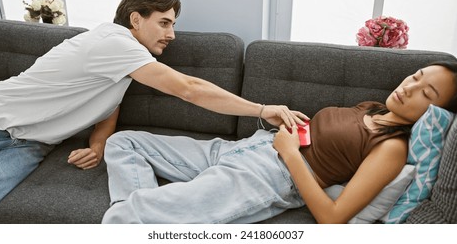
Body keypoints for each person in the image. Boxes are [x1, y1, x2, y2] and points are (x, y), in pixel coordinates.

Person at [0, 0, 305, 205]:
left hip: (31, 145)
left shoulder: (127, 59)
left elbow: (108, 105)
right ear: (135, 19)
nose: (172, 34)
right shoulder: (115, 44)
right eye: (164, 23)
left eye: (173, 24)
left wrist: (99, 143)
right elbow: (189, 89)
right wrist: (263, 110)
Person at [101, 61, 457, 224]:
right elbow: (327, 141)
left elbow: (332, 219)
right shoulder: (373, 108)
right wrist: (291, 122)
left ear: (437, 113)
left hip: (268, 175)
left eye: (425, 92)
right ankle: (148, 211)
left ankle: (141, 216)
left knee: (124, 219)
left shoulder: (393, 148)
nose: (409, 87)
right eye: (415, 76)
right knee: (123, 142)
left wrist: (291, 155)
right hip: (251, 147)